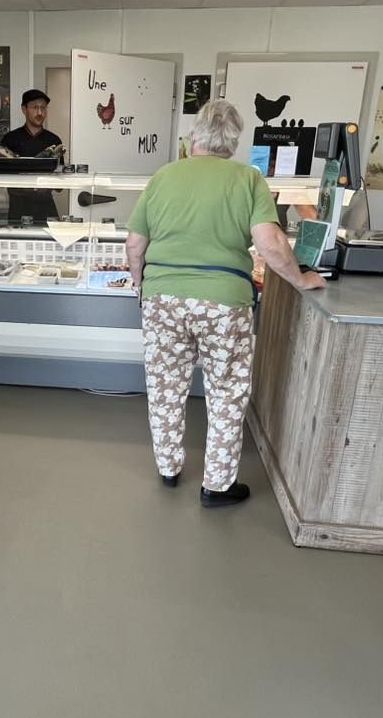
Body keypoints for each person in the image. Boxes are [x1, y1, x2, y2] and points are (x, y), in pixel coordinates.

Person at [125, 99, 327, 508]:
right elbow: (270, 244)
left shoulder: (164, 176)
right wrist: (301, 278)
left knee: (165, 388)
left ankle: (169, 468)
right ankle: (217, 486)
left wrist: (141, 285)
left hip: (163, 298)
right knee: (226, 392)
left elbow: (135, 244)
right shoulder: (248, 178)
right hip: (224, 302)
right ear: (234, 142)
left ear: (193, 137)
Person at [0, 88, 63, 225]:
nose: (40, 112)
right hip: (18, 209)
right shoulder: (9, 140)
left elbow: (60, 184)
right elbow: (1, 177)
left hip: (46, 209)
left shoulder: (54, 141)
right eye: (35, 107)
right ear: (24, 109)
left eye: (43, 108)